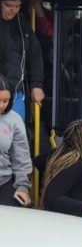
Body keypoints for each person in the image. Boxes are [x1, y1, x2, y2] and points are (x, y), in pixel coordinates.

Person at [40, 119, 82, 219]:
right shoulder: (76, 164)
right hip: (70, 224)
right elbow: (51, 198)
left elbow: (38, 160)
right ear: (77, 139)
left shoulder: (61, 154)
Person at [0, 0, 45, 120]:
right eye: (8, 5)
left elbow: (35, 54)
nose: (13, 10)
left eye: (17, 6)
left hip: (16, 94)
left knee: (17, 136)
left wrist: (37, 84)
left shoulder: (22, 23)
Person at [0, 75, 33, 207]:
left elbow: (21, 158)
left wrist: (22, 187)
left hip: (3, 182)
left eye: (5, 101)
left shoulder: (14, 120)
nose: (1, 105)